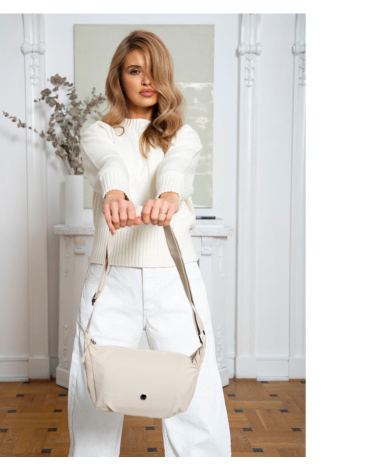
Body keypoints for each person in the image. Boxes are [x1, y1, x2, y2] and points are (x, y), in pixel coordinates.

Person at [67, 30, 232, 457]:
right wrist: (115, 194)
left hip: (175, 279)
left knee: (197, 392)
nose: (146, 81)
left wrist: (169, 197)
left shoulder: (184, 135)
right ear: (118, 78)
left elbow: (175, 168)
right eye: (135, 70)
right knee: (94, 390)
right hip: (112, 279)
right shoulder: (97, 132)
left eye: (154, 71)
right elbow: (108, 163)